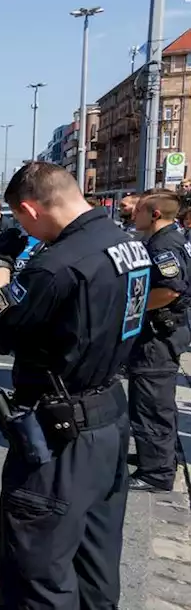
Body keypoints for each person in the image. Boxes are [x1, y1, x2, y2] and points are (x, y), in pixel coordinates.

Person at [0, 162, 146, 609]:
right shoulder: (127, 245)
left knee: (38, 572)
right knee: (95, 560)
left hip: (59, 435)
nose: (25, 229)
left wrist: (0, 264)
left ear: (30, 208)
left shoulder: (55, 267)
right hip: (108, 415)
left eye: (21, 220)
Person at [126, 191, 191, 493]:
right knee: (155, 401)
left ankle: (156, 472)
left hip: (158, 336)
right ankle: (159, 457)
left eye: (138, 210)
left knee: (151, 403)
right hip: (162, 333)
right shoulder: (164, 240)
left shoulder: (163, 244)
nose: (132, 215)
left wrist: (132, 309)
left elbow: (170, 289)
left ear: (154, 215)